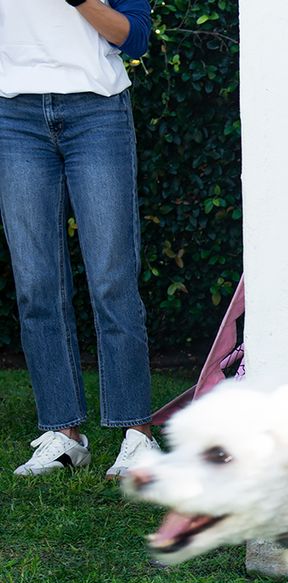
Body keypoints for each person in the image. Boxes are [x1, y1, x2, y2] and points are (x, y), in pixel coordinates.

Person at [0, 0, 158, 478]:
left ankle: (138, 435)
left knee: (112, 280)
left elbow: (134, 37)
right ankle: (64, 435)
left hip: (97, 112)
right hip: (14, 115)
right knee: (36, 287)